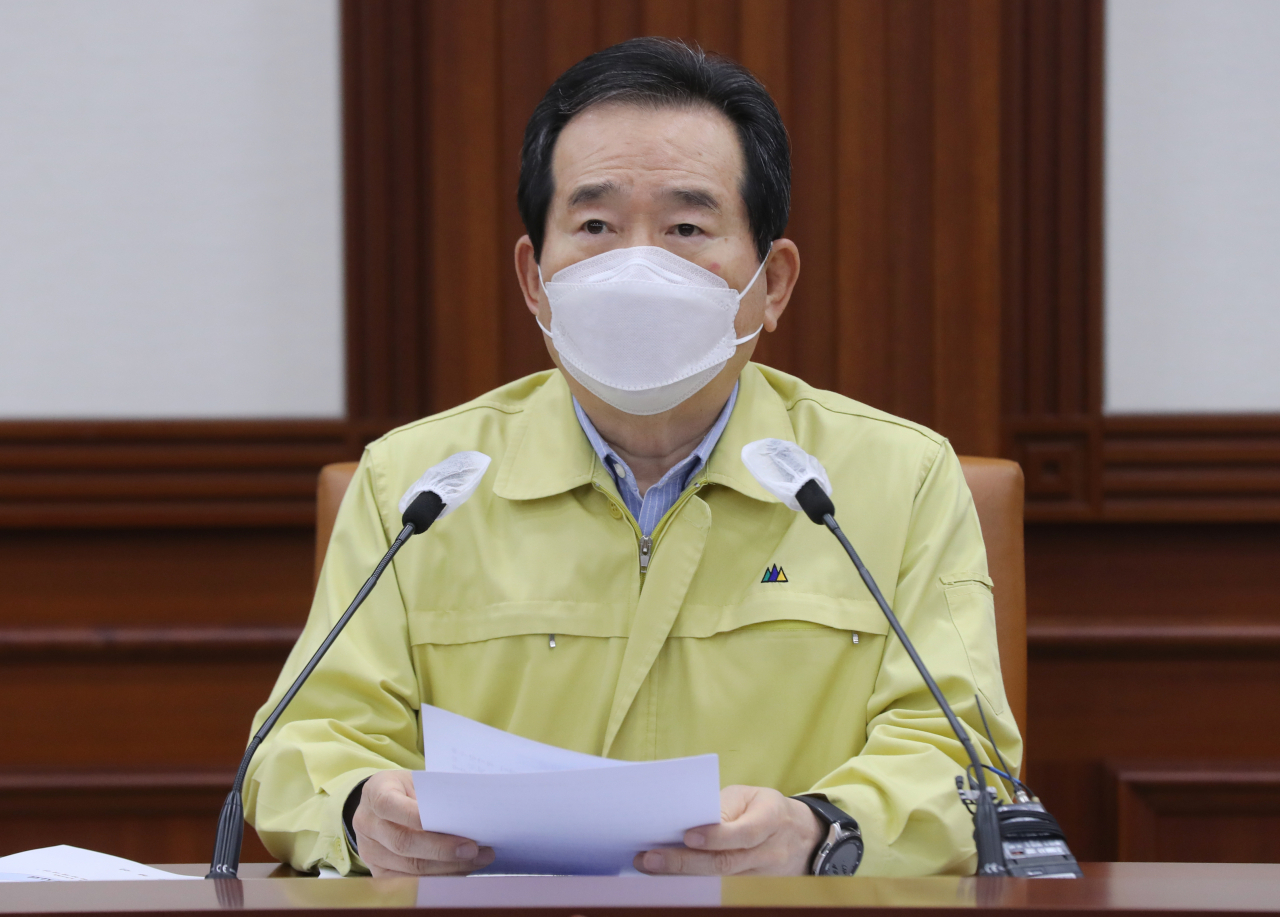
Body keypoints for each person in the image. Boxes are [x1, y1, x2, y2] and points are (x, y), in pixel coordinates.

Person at [245, 37, 1020, 878]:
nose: (637, 263)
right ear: (534, 277)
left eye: (688, 225)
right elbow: (305, 745)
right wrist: (361, 811)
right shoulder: (420, 484)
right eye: (595, 225)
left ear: (774, 282)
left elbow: (960, 758)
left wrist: (823, 834)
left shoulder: (895, 481)